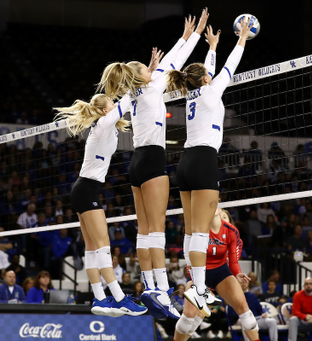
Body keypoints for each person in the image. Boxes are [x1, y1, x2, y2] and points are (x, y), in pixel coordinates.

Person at [97, 11, 207, 319]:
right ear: (142, 75)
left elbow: (168, 62)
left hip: (135, 164)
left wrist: (185, 39)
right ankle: (159, 288)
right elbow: (174, 60)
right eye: (148, 67)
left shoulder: (135, 93)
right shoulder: (150, 87)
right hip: (153, 159)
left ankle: (149, 285)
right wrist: (193, 35)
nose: (153, 67)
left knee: (144, 231)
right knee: (156, 231)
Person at [167, 17, 252, 317]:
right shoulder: (210, 91)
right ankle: (200, 290)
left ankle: (197, 287)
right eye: (207, 75)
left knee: (192, 231)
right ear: (205, 79)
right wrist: (241, 38)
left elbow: (209, 71)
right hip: (203, 161)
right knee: (200, 233)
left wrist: (213, 46)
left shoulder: (195, 92)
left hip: (186, 163)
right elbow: (230, 65)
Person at [55, 83, 146, 317]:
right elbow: (124, 103)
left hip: (84, 189)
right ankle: (119, 297)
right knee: (103, 246)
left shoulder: (105, 125)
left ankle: (99, 299)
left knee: (93, 248)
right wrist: (136, 85)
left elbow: (118, 104)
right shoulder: (104, 123)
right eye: (112, 105)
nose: (115, 106)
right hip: (86, 190)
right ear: (106, 111)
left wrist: (119, 90)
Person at [173, 207, 260, 341]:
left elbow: (233, 261)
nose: (222, 218)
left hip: (221, 273)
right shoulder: (200, 227)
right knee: (189, 319)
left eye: (225, 217)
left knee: (246, 313)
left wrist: (237, 274)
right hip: (199, 273)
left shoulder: (232, 232)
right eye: (221, 216)